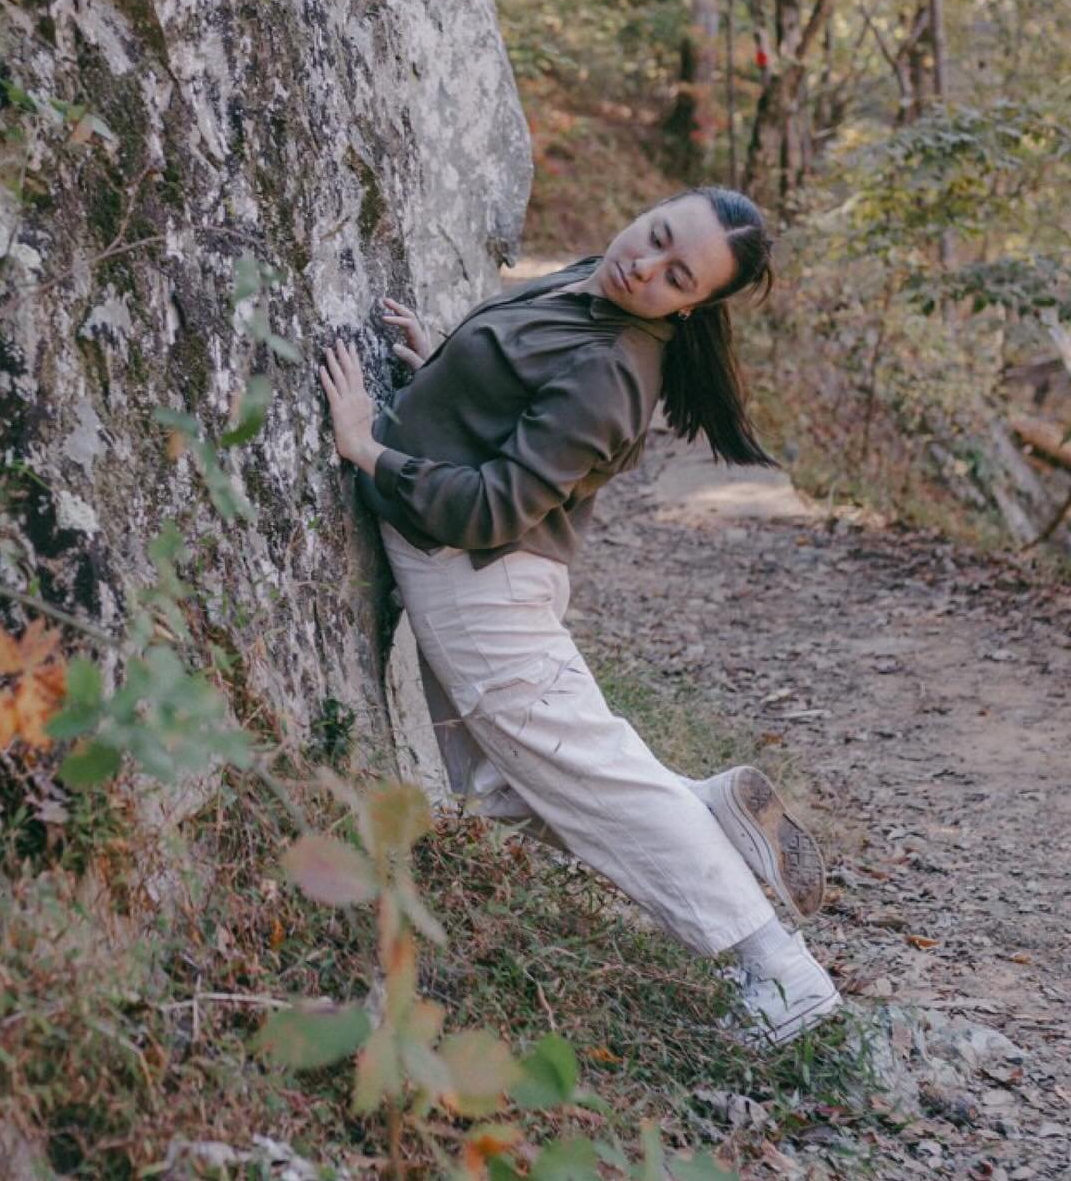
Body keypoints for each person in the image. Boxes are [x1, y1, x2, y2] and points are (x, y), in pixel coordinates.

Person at [318, 186, 844, 1048]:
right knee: (502, 785)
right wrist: (443, 372)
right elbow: (517, 402)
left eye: (676, 275)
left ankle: (782, 971)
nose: (644, 264)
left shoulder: (616, 371)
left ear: (692, 306)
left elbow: (490, 508)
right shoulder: (589, 283)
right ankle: (703, 813)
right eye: (657, 235)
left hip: (479, 582)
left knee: (582, 775)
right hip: (475, 578)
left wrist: (366, 445)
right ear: (650, 209)